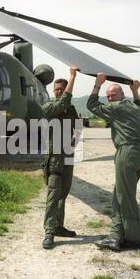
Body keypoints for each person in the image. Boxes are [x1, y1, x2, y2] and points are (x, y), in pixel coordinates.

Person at [87, 73, 140, 251]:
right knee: (119, 196)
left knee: (125, 199)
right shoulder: (134, 107)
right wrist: (135, 91)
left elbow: (91, 105)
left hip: (126, 153)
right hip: (139, 155)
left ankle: (133, 239)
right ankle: (116, 236)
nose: (110, 98)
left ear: (121, 95)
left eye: (112, 95)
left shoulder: (117, 107)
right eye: (108, 96)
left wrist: (97, 84)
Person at [42, 67, 79, 249]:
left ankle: (58, 226)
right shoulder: (50, 107)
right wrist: (73, 76)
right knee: (53, 196)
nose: (57, 92)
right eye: (55, 90)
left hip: (68, 156)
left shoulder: (71, 109)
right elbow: (63, 103)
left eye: (60, 89)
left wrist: (74, 140)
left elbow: (78, 126)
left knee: (63, 194)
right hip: (55, 158)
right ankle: (49, 232)